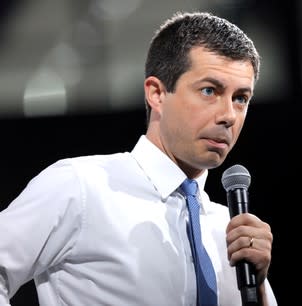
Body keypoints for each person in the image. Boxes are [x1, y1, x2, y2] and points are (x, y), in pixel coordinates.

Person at [0, 11, 277, 306]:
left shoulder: (229, 229)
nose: (228, 116)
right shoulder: (79, 187)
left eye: (240, 98)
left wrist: (258, 289)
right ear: (157, 94)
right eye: (209, 91)